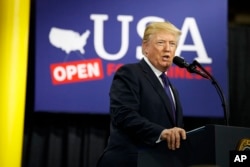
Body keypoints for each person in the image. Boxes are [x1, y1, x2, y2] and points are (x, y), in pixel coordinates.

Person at [97, 21, 187, 167]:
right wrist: (162, 132)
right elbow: (124, 115)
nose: (167, 49)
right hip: (131, 161)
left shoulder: (171, 88)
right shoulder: (130, 73)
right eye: (161, 42)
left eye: (172, 44)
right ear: (145, 47)